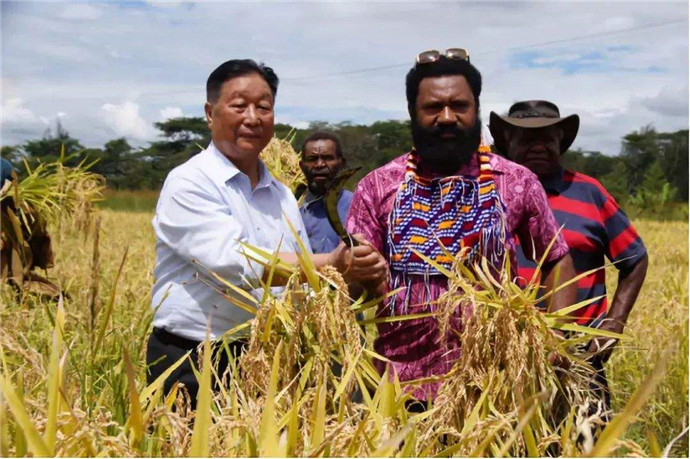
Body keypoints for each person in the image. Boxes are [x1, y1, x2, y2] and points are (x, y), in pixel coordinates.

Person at [147, 59, 387, 406]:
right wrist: (331, 261)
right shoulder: (189, 182)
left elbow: (302, 285)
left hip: (269, 357)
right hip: (193, 359)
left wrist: (357, 273)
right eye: (239, 105)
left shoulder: (283, 195)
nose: (253, 117)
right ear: (210, 113)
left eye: (264, 107)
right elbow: (232, 264)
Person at [345, 49, 577, 404]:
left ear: (477, 110)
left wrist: (555, 335)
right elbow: (356, 286)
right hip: (400, 388)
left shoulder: (516, 181)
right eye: (433, 107)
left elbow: (556, 258)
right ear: (412, 112)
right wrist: (357, 273)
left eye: (460, 105)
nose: (447, 117)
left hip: (495, 384)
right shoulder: (377, 187)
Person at [489, 99, 648, 418]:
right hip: (502, 357)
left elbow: (635, 258)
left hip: (578, 359)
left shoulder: (590, 192)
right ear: (508, 141)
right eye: (526, 138)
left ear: (560, 141)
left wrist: (613, 325)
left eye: (547, 138)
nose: (538, 146)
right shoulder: (486, 193)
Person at [298, 131, 353, 253]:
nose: (319, 164)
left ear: (341, 163)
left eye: (327, 158)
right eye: (312, 159)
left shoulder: (357, 206)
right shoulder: (290, 207)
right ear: (301, 166)